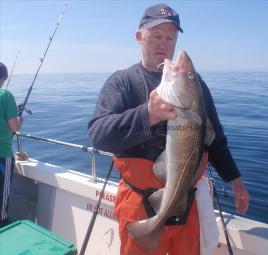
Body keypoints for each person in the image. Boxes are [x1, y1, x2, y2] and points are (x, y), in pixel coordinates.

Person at [88, 3, 249, 255]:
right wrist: (147, 115)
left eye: (170, 38)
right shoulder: (122, 82)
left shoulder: (197, 88)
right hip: (138, 202)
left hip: (186, 200)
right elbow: (99, 134)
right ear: (139, 37)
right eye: (156, 36)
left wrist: (235, 179)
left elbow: (214, 137)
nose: (164, 44)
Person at [0, 62, 22, 226]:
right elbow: (15, 127)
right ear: (4, 78)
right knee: (2, 196)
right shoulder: (5, 96)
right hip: (2, 155)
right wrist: (20, 120)